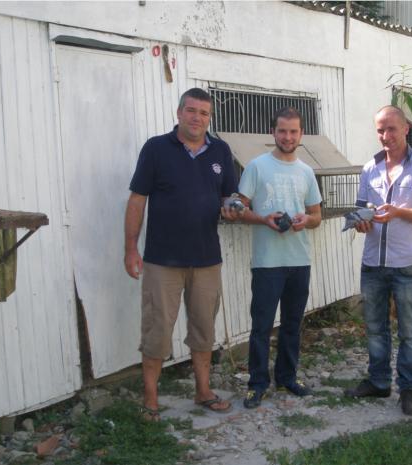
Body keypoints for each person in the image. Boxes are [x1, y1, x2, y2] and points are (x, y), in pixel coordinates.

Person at [124, 87, 237, 420]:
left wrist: (233, 207)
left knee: (204, 330)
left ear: (209, 118)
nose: (197, 118)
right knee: (157, 330)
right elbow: (137, 199)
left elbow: (229, 196)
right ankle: (150, 399)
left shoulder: (221, 150)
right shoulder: (156, 148)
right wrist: (130, 248)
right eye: (191, 110)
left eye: (204, 113)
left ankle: (203, 391)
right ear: (178, 113)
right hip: (163, 260)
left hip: (207, 259)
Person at [344, 105, 412, 415]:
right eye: (380, 130)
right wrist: (361, 223)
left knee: (409, 330)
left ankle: (409, 390)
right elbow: (361, 211)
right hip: (373, 262)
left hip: (406, 263)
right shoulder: (369, 169)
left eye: (391, 129)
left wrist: (398, 212)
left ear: (405, 129)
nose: (386, 136)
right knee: (375, 328)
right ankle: (379, 382)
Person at [234, 107, 322, 409]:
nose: (287, 137)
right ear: (273, 132)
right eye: (282, 131)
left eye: (293, 131)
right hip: (267, 262)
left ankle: (287, 377)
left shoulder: (306, 172)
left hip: (299, 260)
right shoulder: (256, 167)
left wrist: (305, 220)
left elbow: (317, 215)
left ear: (301, 134)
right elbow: (238, 209)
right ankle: (257, 384)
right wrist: (263, 219)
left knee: (292, 324)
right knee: (261, 327)